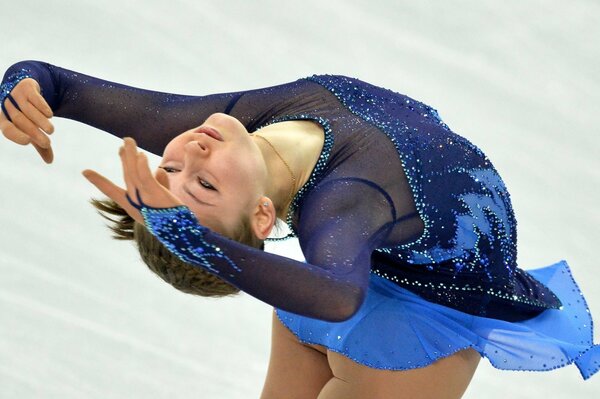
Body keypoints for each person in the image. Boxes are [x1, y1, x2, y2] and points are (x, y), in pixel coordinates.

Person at [1, 61, 598, 399]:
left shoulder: (225, 129)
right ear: (263, 216)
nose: (191, 157)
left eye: (171, 169)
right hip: (406, 335)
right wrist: (196, 243)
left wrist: (19, 91)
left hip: (343, 286)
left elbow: (60, 85)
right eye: (205, 186)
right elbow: (339, 296)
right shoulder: (343, 204)